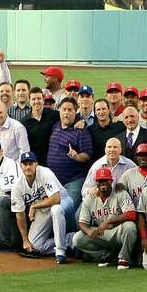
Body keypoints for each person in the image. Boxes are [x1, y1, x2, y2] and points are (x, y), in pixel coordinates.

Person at [72, 167, 137, 269]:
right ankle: (107, 255)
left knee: (130, 227)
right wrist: (88, 230)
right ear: (96, 182)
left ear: (111, 181)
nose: (103, 183)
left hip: (118, 230)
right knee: (77, 239)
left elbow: (132, 214)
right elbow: (82, 222)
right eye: (100, 181)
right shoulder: (90, 198)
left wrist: (110, 221)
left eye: (106, 180)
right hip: (101, 232)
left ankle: (124, 258)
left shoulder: (120, 192)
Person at [11, 152, 69, 264]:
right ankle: (70, 239)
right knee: (35, 246)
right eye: (25, 164)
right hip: (44, 208)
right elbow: (20, 214)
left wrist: (34, 206)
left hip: (64, 202)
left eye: (30, 163)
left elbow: (56, 198)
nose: (28, 167)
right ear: (20, 166)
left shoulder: (45, 173)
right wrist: (25, 240)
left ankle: (60, 252)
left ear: (36, 164)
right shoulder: (17, 186)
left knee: (55, 209)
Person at [45, 97, 92, 229]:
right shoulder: (55, 126)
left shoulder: (81, 130)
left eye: (70, 110)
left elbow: (87, 154)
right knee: (51, 210)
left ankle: (71, 241)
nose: (66, 113)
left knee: (68, 209)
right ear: (59, 111)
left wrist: (76, 156)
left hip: (73, 181)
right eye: (64, 109)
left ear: (75, 112)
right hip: (55, 181)